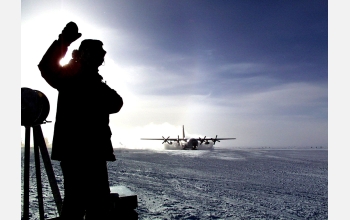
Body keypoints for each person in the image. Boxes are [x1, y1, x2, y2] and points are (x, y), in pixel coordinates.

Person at [38, 21, 123, 220]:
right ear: (86, 55)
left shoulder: (92, 80)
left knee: (96, 207)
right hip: (77, 154)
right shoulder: (71, 76)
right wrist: (63, 43)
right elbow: (46, 67)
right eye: (98, 54)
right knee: (77, 207)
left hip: (92, 153)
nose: (102, 58)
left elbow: (116, 103)